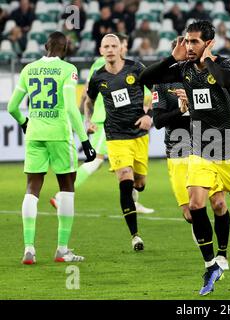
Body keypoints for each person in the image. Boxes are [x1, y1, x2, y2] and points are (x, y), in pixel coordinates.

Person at [140, 20, 230, 296]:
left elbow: (227, 81)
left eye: (195, 41)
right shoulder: (182, 68)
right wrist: (171, 58)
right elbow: (144, 79)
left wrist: (207, 60)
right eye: (186, 41)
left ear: (209, 43)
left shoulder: (227, 64)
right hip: (200, 148)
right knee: (197, 205)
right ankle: (211, 265)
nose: (188, 46)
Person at [7, 31, 96, 264]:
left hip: (35, 134)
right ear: (65, 49)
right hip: (59, 135)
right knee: (67, 187)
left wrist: (25, 122)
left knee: (31, 188)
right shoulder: (68, 70)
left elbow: (12, 107)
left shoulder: (28, 69)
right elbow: (68, 108)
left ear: (45, 46)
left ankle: (29, 248)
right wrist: (85, 141)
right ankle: (62, 249)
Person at [50, 33, 154, 214]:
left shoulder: (129, 67)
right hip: (106, 119)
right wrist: (86, 119)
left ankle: (134, 202)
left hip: (121, 122)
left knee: (128, 170)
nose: (124, 48)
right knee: (96, 161)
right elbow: (87, 93)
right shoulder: (101, 65)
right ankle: (62, 195)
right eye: (123, 44)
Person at [151, 49, 230, 270]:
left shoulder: (203, 78)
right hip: (178, 151)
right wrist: (181, 111)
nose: (187, 55)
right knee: (190, 213)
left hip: (206, 147)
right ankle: (205, 241)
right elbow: (157, 121)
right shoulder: (162, 84)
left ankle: (222, 254)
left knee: (219, 203)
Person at [85, 33, 152, 251]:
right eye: (107, 46)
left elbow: (156, 90)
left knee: (139, 184)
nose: (111, 49)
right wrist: (89, 120)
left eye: (114, 45)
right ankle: (135, 236)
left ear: (120, 48)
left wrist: (149, 114)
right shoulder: (98, 77)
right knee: (124, 178)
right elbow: (89, 100)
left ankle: (135, 186)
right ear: (101, 50)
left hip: (139, 136)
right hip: (115, 137)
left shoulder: (135, 68)